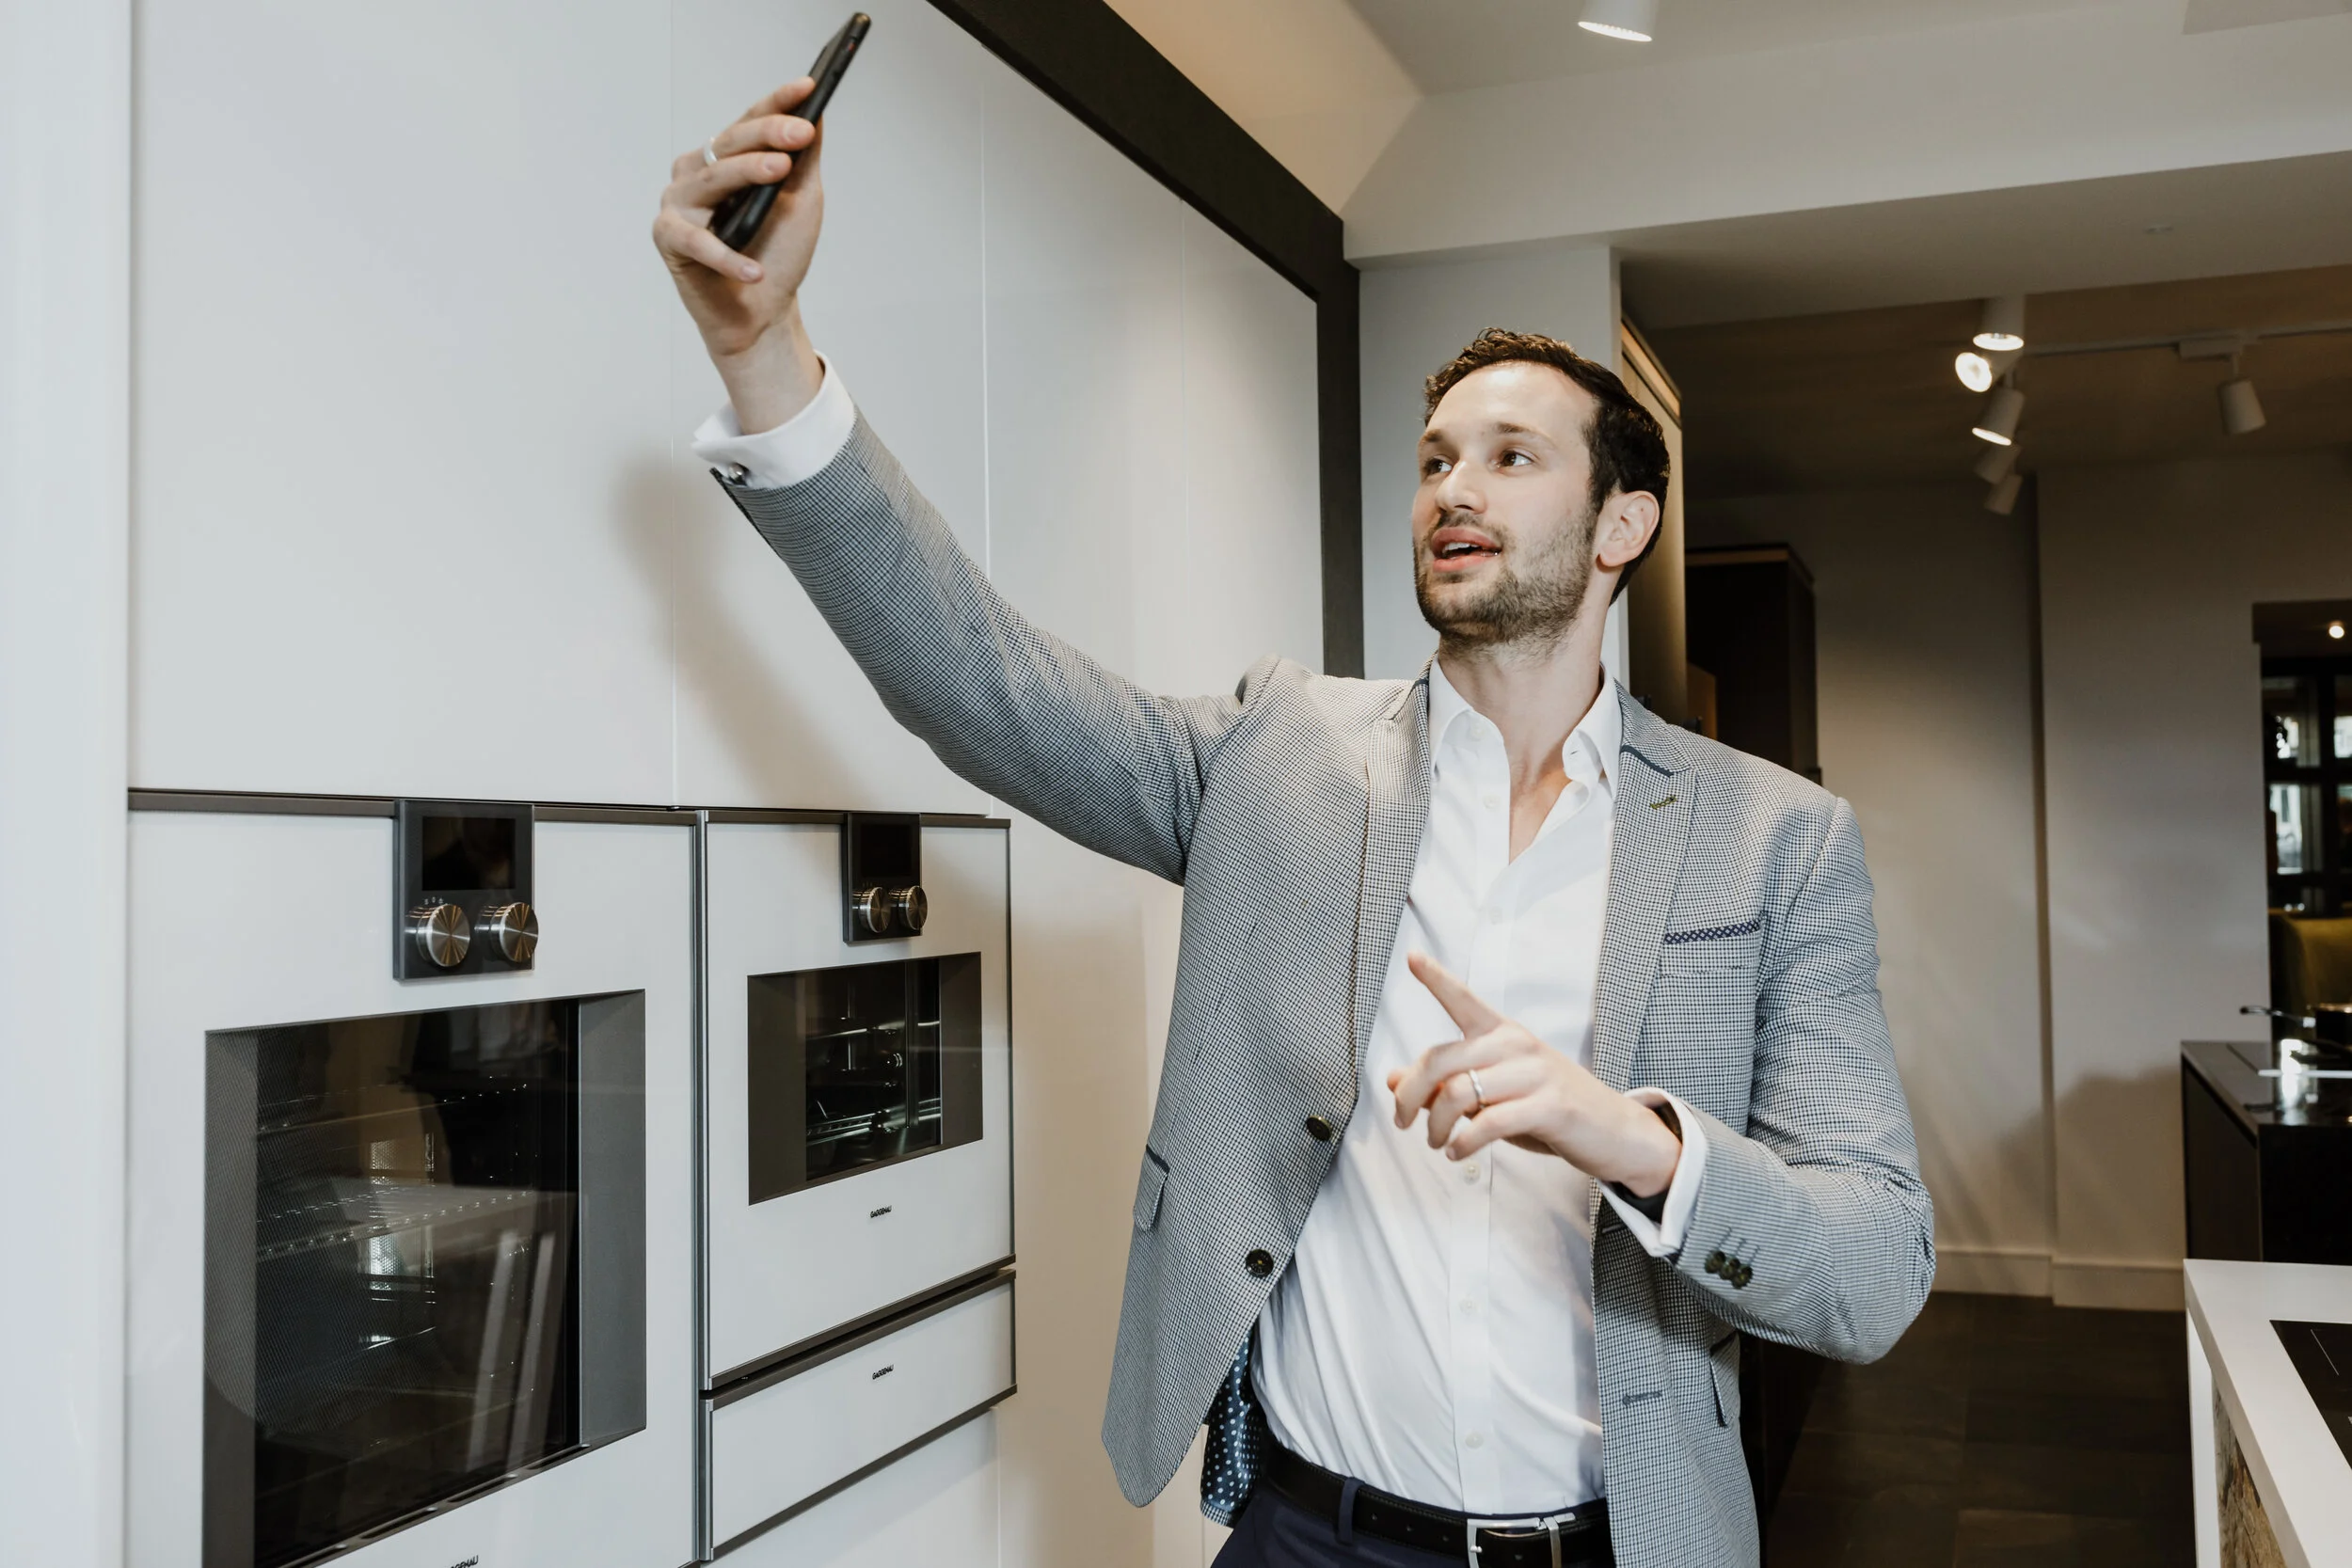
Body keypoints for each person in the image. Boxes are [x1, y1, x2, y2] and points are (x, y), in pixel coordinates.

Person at [654, 79, 1933, 1568]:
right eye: (1437, 456)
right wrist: (765, 354)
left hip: (1616, 1541)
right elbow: (979, 678)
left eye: (1513, 456)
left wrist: (1631, 1136)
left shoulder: (1775, 841)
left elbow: (1873, 1263)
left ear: (1621, 526)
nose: (1454, 486)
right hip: (1309, 1535)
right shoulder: (1279, 756)